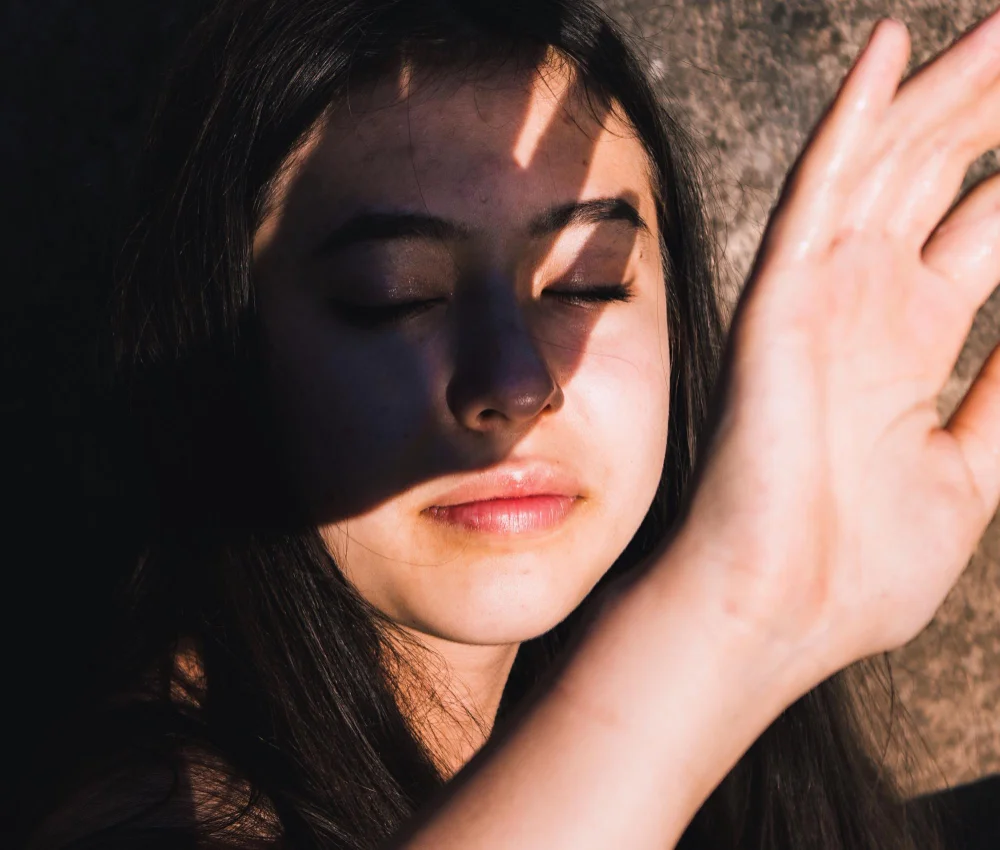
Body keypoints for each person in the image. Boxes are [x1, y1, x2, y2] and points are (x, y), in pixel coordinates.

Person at [14, 0, 1000, 847]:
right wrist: (740, 617)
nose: (518, 380)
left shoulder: (737, 776)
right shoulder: (150, 805)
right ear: (226, 352)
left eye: (587, 281)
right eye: (391, 294)